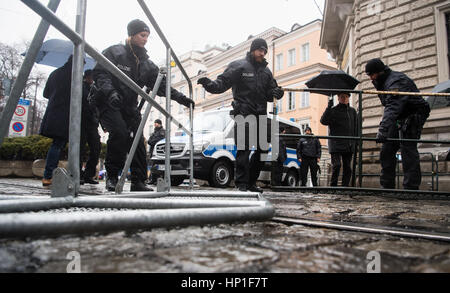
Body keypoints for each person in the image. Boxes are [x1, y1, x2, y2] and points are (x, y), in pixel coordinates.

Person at [93, 19, 195, 192]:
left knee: (138, 140)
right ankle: (111, 177)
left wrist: (182, 99)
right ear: (131, 35)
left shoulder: (146, 63)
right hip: (108, 101)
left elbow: (162, 86)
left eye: (147, 36)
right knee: (119, 132)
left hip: (129, 106)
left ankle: (138, 181)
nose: (145, 39)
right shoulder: (115, 52)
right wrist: (110, 92)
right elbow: (100, 73)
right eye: (142, 35)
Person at [197, 38, 284, 192]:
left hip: (261, 114)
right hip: (243, 113)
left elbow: (271, 92)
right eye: (260, 50)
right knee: (243, 149)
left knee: (263, 149)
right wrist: (209, 85)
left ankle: (251, 182)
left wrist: (277, 92)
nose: (262, 53)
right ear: (252, 49)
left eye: (264, 51)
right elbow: (222, 83)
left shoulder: (266, 72)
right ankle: (242, 183)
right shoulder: (239, 66)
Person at [365, 58, 430, 190]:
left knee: (408, 149)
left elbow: (393, 106)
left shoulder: (396, 81)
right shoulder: (382, 82)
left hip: (414, 114)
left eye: (372, 74)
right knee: (387, 150)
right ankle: (387, 186)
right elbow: (391, 107)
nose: (371, 78)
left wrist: (383, 129)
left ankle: (411, 189)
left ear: (380, 72)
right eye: (369, 76)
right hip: (399, 116)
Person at [40, 56, 73, 186]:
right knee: (58, 144)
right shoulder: (73, 75)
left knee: (57, 144)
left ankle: (48, 175)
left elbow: (45, 93)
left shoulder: (55, 73)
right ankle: (48, 176)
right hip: (65, 113)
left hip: (53, 111)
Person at [320, 92, 358, 187]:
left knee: (348, 167)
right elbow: (323, 121)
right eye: (342, 97)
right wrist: (329, 107)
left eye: (346, 97)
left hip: (348, 143)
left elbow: (356, 127)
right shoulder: (333, 110)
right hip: (336, 143)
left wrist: (356, 141)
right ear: (338, 98)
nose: (344, 98)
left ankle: (345, 187)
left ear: (349, 98)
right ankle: (333, 186)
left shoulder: (352, 111)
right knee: (336, 165)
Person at [80, 70, 101, 185]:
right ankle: (78, 173)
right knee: (80, 148)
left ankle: (88, 174)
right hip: (83, 121)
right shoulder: (81, 87)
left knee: (96, 148)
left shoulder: (94, 88)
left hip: (92, 123)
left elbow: (97, 106)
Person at [147, 119, 165, 184]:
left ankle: (158, 180)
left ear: (159, 124)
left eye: (156, 123)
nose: (155, 124)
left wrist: (152, 141)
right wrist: (152, 141)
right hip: (152, 151)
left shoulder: (162, 131)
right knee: (152, 166)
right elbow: (149, 140)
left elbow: (160, 140)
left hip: (159, 152)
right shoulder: (154, 132)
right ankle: (153, 179)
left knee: (159, 166)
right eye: (154, 123)